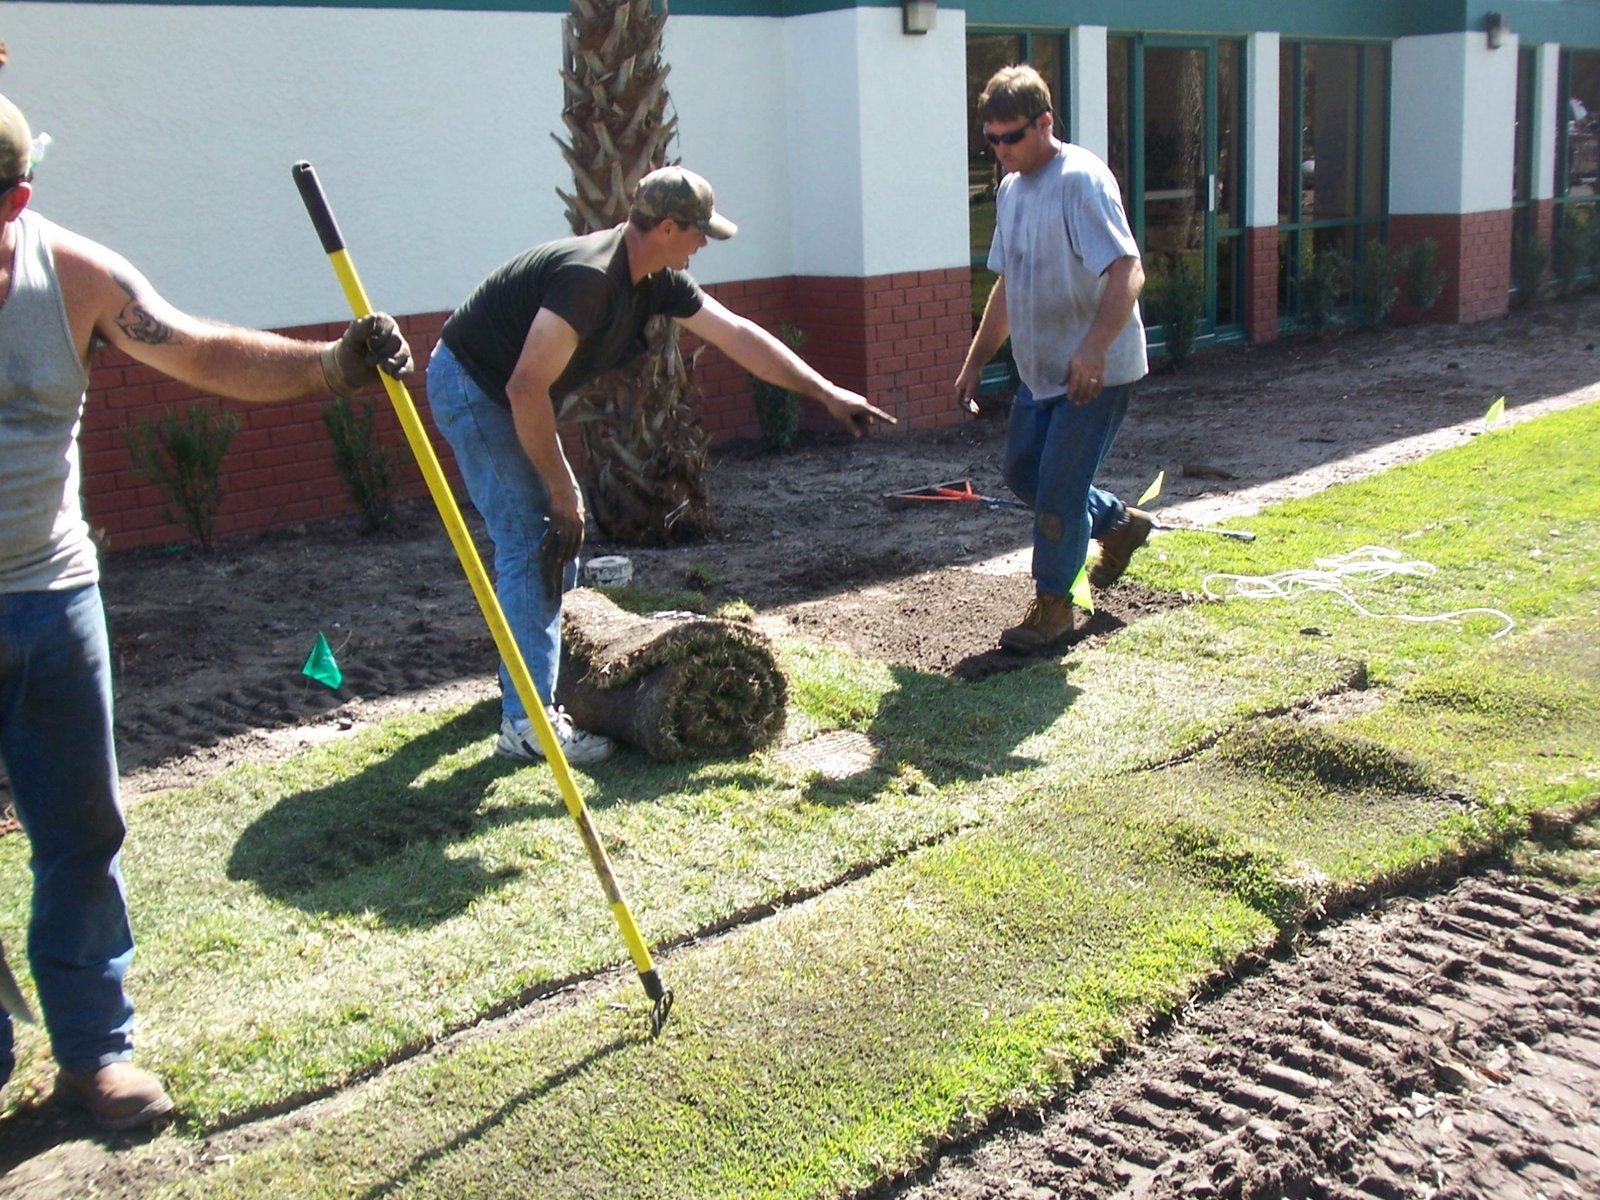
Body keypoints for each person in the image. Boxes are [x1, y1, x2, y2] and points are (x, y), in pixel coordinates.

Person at [0, 92, 413, 1131]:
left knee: (81, 831)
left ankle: (96, 1053)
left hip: (49, 597)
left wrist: (332, 366)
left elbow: (198, 350)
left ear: (20, 196)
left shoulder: (74, 272)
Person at [428, 165, 894, 766]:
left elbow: (739, 335)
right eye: (698, 233)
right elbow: (523, 388)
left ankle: (532, 684)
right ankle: (527, 723)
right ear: (667, 226)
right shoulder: (590, 280)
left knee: (553, 543)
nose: (703, 244)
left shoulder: (654, 278)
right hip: (474, 386)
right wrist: (562, 486)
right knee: (533, 532)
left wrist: (827, 392)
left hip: (512, 389)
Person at [954, 65, 1152, 654]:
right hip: (1040, 374)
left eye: (1011, 136)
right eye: (990, 139)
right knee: (1024, 473)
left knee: (1061, 488)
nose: (1000, 149)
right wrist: (974, 364)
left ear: (1045, 123)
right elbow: (1007, 286)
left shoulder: (1081, 180)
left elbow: (1127, 268)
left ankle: (1053, 609)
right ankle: (1118, 523)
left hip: (1097, 371)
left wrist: (1092, 347)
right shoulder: (1012, 190)